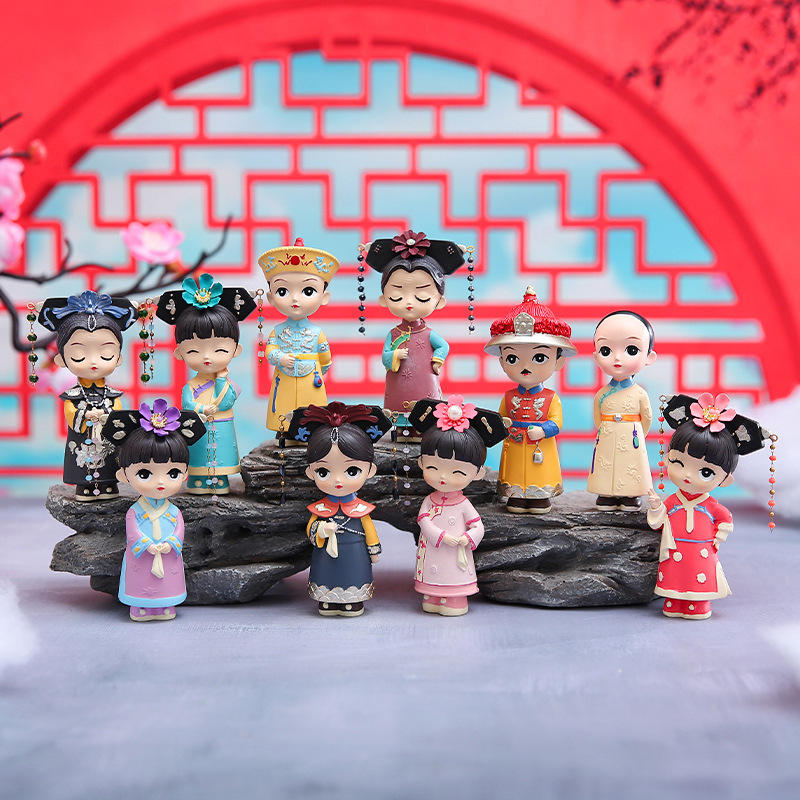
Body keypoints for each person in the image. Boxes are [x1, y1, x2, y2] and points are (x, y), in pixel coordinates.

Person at [647, 393, 771, 620]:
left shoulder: (711, 506)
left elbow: (725, 520)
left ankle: (697, 604)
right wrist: (656, 507)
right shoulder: (672, 501)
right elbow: (659, 522)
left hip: (700, 550)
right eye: (678, 462)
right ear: (667, 458)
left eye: (705, 472)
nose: (687, 475)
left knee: (698, 577)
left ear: (725, 480)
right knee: (675, 577)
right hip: (675, 549)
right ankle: (674, 601)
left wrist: (717, 537)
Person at [102, 400, 206, 621]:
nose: (160, 482)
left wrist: (171, 543)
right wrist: (146, 545)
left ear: (185, 474)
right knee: (141, 581)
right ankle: (139, 606)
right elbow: (132, 534)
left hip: (167, 554)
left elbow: (179, 531)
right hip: (142, 555)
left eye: (172, 473)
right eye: (145, 474)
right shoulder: (134, 511)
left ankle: (166, 605)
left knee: (167, 581)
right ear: (124, 475)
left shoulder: (174, 511)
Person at [287, 401, 391, 617]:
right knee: (326, 574)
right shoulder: (320, 508)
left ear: (370, 470)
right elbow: (311, 528)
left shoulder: (360, 508)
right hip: (325, 555)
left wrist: (373, 551)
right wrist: (320, 530)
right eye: (323, 472)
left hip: (355, 554)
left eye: (351, 471)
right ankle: (327, 599)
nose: (337, 480)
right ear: (310, 472)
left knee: (354, 574)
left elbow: (369, 530)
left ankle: (353, 600)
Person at [408, 395, 508, 616]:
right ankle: (432, 595)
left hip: (455, 550)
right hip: (434, 547)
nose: (443, 477)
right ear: (421, 463)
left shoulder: (463, 504)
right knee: (432, 574)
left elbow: (477, 525)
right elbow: (423, 519)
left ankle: (453, 597)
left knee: (452, 572)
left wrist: (467, 538)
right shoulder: (429, 500)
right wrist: (441, 536)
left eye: (458, 472)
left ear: (478, 473)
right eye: (433, 468)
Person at [156, 273, 255, 494]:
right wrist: (202, 409)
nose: (207, 357)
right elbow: (187, 404)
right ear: (180, 353)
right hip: (198, 426)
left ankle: (220, 481)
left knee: (221, 457)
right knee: (199, 456)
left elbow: (226, 402)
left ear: (236, 350)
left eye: (219, 349)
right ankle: (197, 481)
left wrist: (221, 379)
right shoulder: (190, 386)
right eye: (193, 351)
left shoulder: (227, 382)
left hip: (222, 424)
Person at [362, 231, 467, 431]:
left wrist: (437, 360)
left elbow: (443, 346)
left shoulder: (429, 334)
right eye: (397, 296)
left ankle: (423, 428)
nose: (409, 302)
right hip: (397, 381)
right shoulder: (393, 333)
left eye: (422, 296)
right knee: (397, 408)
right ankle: (400, 428)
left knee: (425, 408)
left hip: (425, 379)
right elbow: (385, 356)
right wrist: (394, 355)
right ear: (384, 299)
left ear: (439, 301)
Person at [484, 286, 577, 513]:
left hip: (539, 444)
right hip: (515, 443)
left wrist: (544, 430)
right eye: (512, 358)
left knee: (540, 472)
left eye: (539, 357)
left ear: (558, 362)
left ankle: (539, 497)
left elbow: (557, 422)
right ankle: (516, 496)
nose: (525, 366)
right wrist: (501, 426)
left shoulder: (551, 397)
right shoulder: (509, 396)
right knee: (515, 471)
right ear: (502, 362)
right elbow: (500, 418)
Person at [38, 291, 137, 500]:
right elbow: (70, 413)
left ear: (118, 358)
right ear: (61, 359)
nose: (93, 361)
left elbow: (118, 415)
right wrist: (85, 416)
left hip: (105, 438)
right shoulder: (72, 395)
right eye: (79, 355)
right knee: (82, 463)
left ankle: (108, 485)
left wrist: (107, 416)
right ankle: (84, 487)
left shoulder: (112, 394)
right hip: (83, 437)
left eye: (106, 354)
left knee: (109, 461)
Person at [258, 238, 340, 433]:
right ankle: (284, 431)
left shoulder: (317, 333)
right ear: (271, 298)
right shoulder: (277, 331)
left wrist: (317, 370)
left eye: (308, 291)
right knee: (283, 408)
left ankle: (312, 431)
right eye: (283, 291)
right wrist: (280, 358)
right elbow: (270, 350)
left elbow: (326, 359)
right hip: (284, 376)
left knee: (312, 411)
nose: (295, 299)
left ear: (324, 297)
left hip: (311, 378)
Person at [588, 310, 658, 510]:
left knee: (630, 464)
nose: (617, 358)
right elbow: (597, 416)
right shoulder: (602, 393)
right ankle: (606, 494)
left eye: (631, 350)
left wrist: (637, 433)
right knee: (606, 462)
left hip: (631, 434)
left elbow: (647, 418)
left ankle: (630, 494)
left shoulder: (640, 393)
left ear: (649, 357)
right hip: (608, 433)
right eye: (606, 351)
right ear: (596, 357)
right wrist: (606, 429)